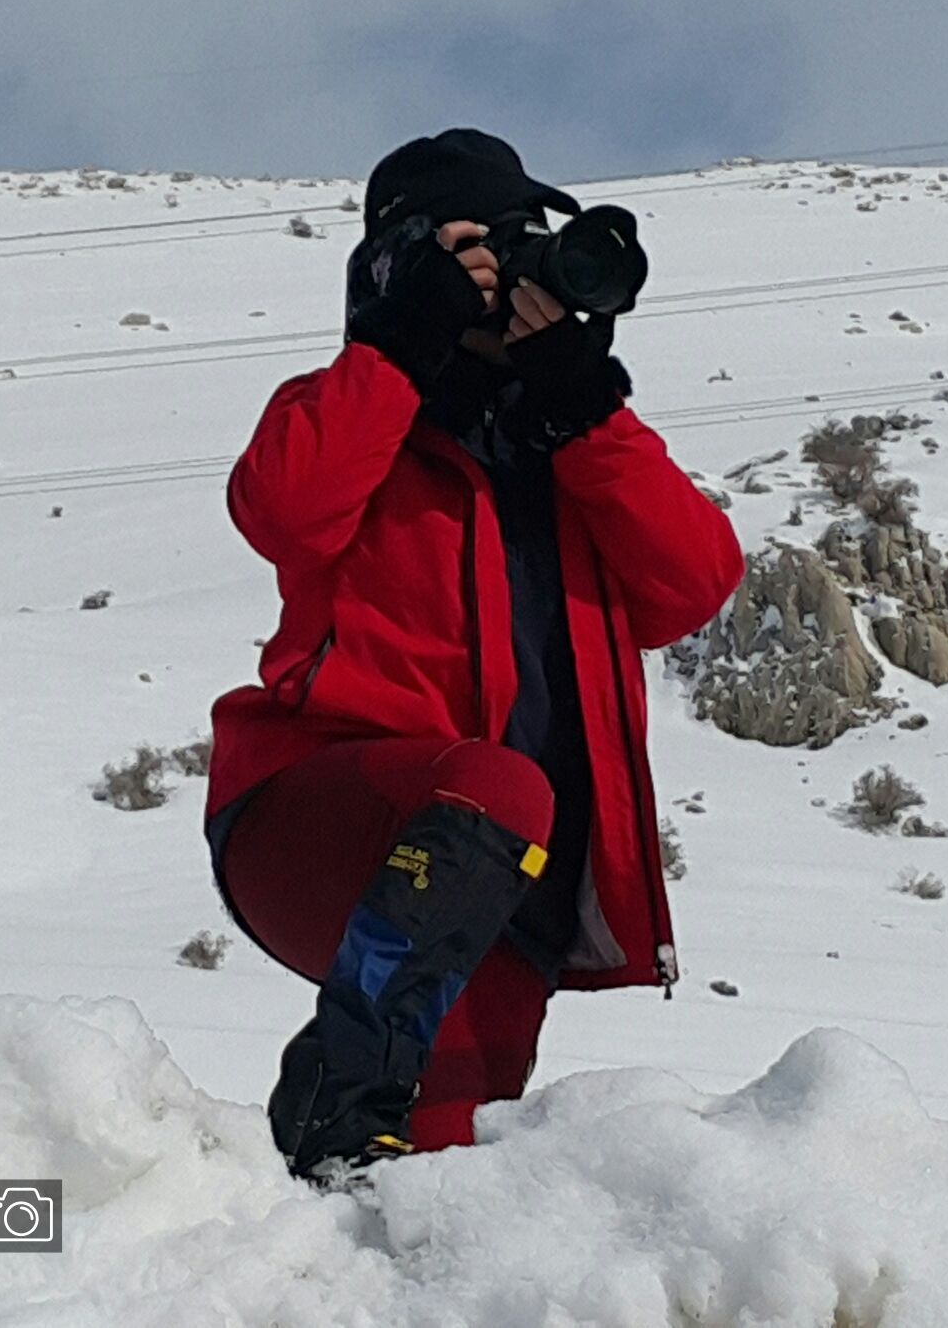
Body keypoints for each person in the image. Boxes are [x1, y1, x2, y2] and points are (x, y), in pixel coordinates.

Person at [202, 129, 744, 1181]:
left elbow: (695, 583)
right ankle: (335, 1084)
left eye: (524, 245)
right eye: (478, 251)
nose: (507, 274)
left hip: (506, 889)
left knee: (437, 1168)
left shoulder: (568, 453)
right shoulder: (355, 413)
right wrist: (400, 343)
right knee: (495, 788)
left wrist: (586, 408)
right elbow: (281, 509)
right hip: (319, 817)